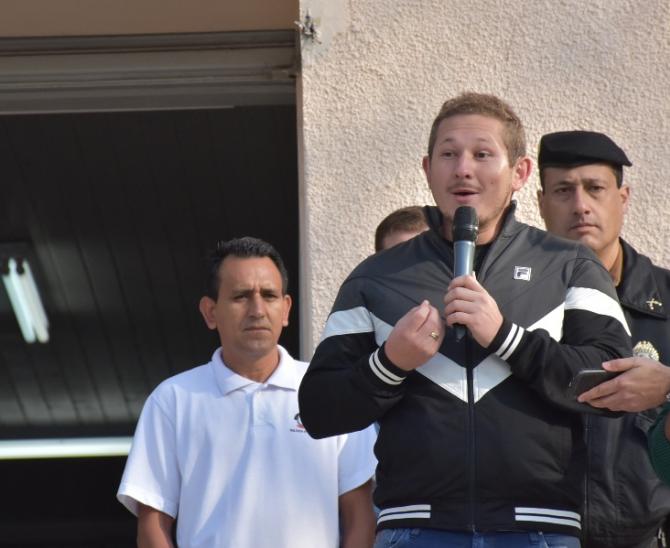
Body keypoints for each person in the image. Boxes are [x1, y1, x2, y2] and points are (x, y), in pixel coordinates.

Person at [298, 92, 631, 548]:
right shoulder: (375, 277)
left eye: (482, 154)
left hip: (539, 529)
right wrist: (389, 363)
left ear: (520, 173)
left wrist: (508, 339)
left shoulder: (569, 265)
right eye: (449, 154)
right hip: (414, 529)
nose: (463, 169)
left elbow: (616, 385)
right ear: (427, 169)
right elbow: (317, 409)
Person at [117, 237, 377, 548]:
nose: (257, 310)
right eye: (241, 296)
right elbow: (152, 527)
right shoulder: (172, 400)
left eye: (269, 295)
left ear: (286, 309)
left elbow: (361, 518)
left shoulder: (333, 390)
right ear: (210, 312)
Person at [537, 130, 670, 548]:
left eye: (595, 188)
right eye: (563, 190)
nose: (580, 206)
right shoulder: (515, 303)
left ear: (623, 198)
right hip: (535, 535)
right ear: (541, 203)